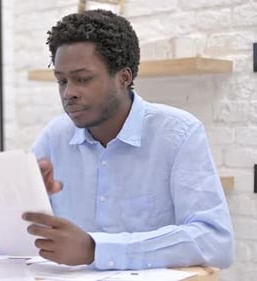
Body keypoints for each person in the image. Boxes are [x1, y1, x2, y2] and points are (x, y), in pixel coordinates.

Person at [22, 9, 234, 270]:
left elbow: (215, 242)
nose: (69, 93)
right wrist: (29, 198)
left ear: (123, 78)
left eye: (83, 79)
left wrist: (95, 249)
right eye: (61, 81)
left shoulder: (178, 134)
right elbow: (21, 234)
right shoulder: (55, 136)